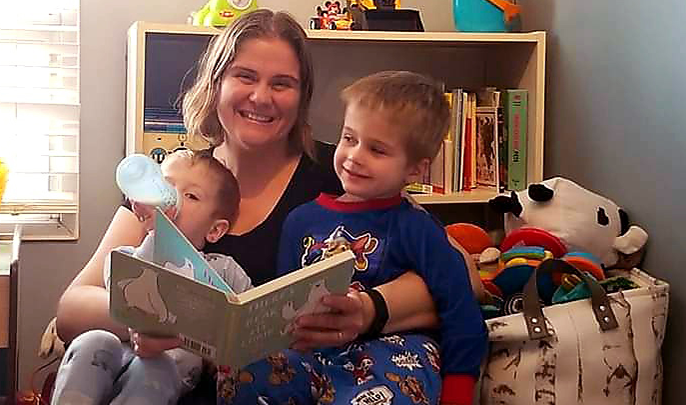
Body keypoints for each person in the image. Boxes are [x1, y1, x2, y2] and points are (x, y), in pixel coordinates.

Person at [55, 9, 484, 404]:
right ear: (216, 83)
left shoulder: (346, 174)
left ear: (301, 98)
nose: (261, 97)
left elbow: (465, 275)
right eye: (245, 76)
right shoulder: (172, 183)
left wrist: (371, 310)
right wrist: (172, 325)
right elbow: (72, 309)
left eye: (282, 83)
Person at [238, 71, 486, 405]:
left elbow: (462, 310)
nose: (354, 156)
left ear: (415, 170)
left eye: (377, 150)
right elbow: (285, 304)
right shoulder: (301, 221)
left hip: (392, 352)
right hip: (312, 352)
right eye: (349, 139)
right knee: (246, 371)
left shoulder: (417, 227)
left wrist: (458, 392)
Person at [51, 150, 253, 404]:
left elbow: (246, 325)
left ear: (214, 230)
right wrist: (154, 231)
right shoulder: (127, 256)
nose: (172, 200)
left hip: (165, 370)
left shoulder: (224, 271)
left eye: (190, 196)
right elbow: (125, 287)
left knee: (157, 368)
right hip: (116, 355)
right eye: (165, 186)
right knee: (93, 339)